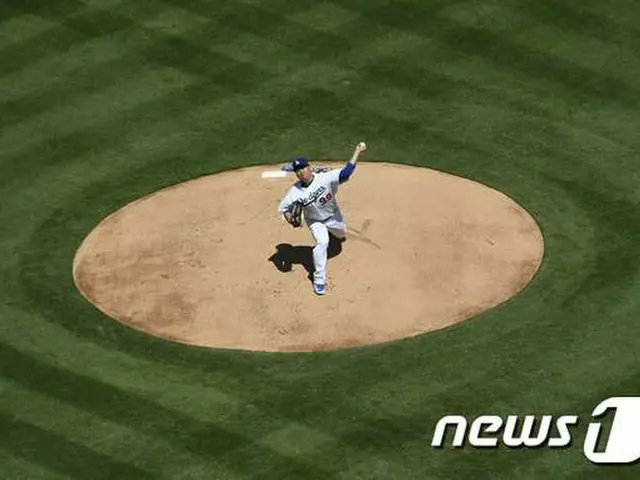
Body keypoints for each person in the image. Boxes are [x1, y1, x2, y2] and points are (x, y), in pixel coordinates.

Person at [278, 141, 367, 295]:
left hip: (333, 215)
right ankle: (319, 280)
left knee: (340, 233)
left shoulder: (325, 178)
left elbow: (346, 172)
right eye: (297, 171)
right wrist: (290, 218)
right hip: (315, 221)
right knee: (322, 243)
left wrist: (357, 151)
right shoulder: (294, 192)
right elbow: (284, 209)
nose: (300, 173)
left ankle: (336, 235)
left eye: (303, 169)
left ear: (309, 168)